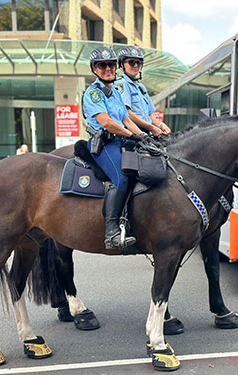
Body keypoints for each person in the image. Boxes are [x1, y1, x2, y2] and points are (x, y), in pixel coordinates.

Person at [83, 46, 146, 250]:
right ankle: (111, 232)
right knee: (121, 177)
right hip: (104, 145)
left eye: (110, 64)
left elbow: (127, 119)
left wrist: (145, 137)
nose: (108, 69)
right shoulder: (93, 93)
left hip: (121, 142)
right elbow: (107, 122)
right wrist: (132, 135)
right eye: (103, 65)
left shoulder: (116, 92)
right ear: (95, 69)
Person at [115, 46, 171, 137]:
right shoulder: (122, 84)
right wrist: (151, 128)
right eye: (132, 62)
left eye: (139, 62)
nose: (136, 66)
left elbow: (149, 115)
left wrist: (160, 125)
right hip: (132, 135)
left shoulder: (141, 87)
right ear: (122, 65)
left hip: (146, 133)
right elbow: (127, 114)